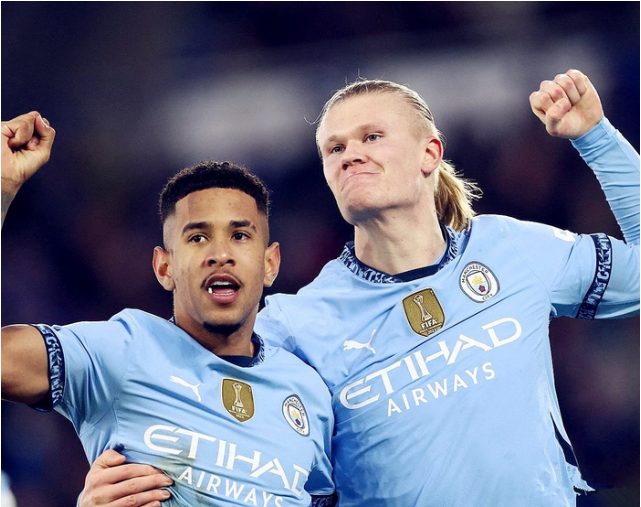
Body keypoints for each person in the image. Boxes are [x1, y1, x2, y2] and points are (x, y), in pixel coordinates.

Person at [40, 68, 641, 506]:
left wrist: (595, 135)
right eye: (335, 147)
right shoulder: (293, 325)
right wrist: (117, 484)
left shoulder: (515, 250)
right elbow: (200, 422)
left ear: (430, 153)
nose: (350, 154)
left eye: (371, 137)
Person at [0, 112, 337, 507]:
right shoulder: (122, 350)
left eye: (240, 235)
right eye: (197, 237)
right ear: (164, 268)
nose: (220, 254)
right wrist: (2, 188)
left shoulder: (309, 392)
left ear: (270, 264)